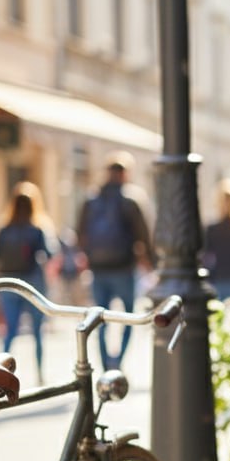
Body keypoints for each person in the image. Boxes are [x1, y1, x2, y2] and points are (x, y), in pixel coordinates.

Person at [78, 156, 154, 370]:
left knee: (98, 319)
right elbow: (143, 234)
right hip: (124, 267)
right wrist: (149, 261)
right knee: (128, 317)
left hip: (98, 268)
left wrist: (87, 257)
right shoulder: (131, 199)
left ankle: (104, 365)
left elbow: (80, 232)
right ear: (125, 174)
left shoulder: (91, 199)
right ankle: (117, 363)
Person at [0, 182, 55, 382]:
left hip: (8, 282)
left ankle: (0, 372)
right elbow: (49, 253)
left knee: (10, 330)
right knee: (37, 331)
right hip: (32, 283)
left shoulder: (4, 229)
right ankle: (39, 373)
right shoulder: (37, 228)